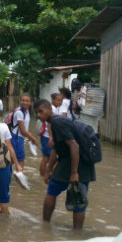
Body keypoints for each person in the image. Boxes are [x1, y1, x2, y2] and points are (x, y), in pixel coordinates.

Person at [34, 99, 96, 230]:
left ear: (50, 110)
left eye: (41, 111)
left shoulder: (57, 122)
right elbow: (56, 148)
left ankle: (47, 227)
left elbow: (74, 146)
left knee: (76, 197)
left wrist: (74, 173)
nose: (39, 115)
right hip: (77, 162)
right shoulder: (56, 122)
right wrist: (49, 170)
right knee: (64, 193)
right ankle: (49, 227)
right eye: (36, 113)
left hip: (77, 163)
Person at [10, 93, 39, 169]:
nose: (25, 102)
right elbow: (23, 131)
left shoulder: (26, 111)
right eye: (23, 100)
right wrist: (33, 138)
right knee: (20, 160)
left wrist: (30, 138)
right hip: (17, 138)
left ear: (31, 102)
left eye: (27, 101)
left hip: (17, 137)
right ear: (20, 101)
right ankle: (19, 179)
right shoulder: (20, 112)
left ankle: (4, 176)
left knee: (12, 159)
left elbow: (25, 129)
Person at [38, 93, 63, 176]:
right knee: (47, 158)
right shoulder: (52, 109)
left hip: (45, 136)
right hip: (48, 137)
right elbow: (49, 124)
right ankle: (45, 175)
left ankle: (43, 175)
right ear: (53, 100)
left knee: (46, 157)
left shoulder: (53, 109)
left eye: (61, 100)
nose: (60, 102)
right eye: (58, 100)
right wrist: (52, 137)